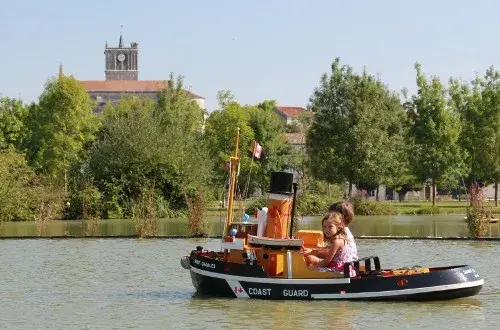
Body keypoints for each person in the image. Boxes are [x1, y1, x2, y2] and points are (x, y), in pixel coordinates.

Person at [303, 211, 357, 275]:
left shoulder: (336, 242)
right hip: (344, 268)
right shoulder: (342, 237)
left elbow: (326, 262)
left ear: (338, 227)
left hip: (339, 270)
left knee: (309, 269)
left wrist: (311, 269)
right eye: (324, 227)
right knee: (311, 258)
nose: (327, 230)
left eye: (330, 226)